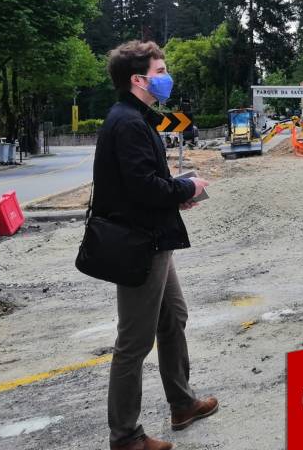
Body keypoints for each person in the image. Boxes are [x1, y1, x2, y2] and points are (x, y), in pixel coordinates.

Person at [93, 40, 218, 450]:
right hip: (140, 243)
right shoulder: (127, 122)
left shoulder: (137, 118)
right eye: (160, 71)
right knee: (133, 342)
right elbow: (143, 187)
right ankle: (125, 437)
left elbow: (143, 183)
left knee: (173, 318)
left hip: (154, 235)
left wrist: (174, 195)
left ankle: (182, 403)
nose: (167, 77)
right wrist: (186, 187)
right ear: (138, 79)